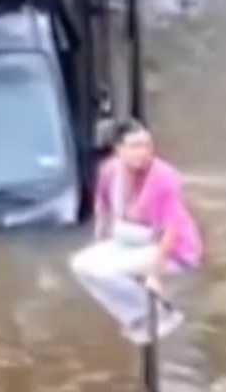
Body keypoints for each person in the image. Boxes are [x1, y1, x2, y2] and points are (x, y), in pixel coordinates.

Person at [69, 119, 203, 344]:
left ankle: (160, 314)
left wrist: (155, 274)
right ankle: (135, 315)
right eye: (134, 146)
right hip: (129, 239)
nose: (142, 152)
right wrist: (100, 240)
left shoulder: (164, 178)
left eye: (146, 145)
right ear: (119, 149)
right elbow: (102, 207)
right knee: (81, 265)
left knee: (105, 273)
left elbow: (172, 230)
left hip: (170, 249)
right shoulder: (109, 172)